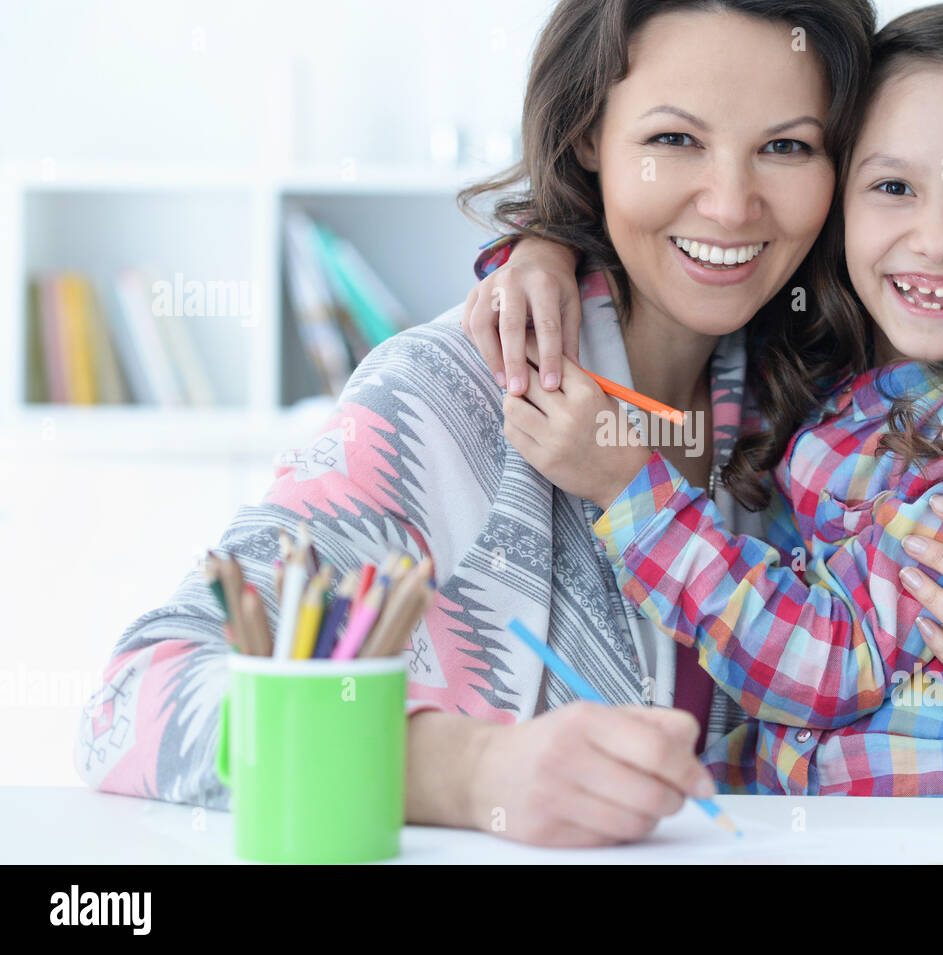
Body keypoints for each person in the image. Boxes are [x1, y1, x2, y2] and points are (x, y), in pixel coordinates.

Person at [76, 0, 886, 847]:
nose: (729, 204)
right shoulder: (446, 395)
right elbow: (133, 702)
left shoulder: (826, 415)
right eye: (672, 140)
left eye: (787, 146)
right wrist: (468, 771)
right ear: (587, 138)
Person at [460, 5, 943, 797]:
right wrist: (541, 246)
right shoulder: (820, 373)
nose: (935, 238)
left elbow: (833, 664)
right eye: (893, 186)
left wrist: (629, 489)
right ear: (838, 199)